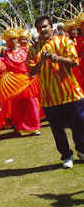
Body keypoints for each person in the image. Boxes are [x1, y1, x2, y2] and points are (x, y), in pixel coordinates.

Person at [28, 16, 84, 168]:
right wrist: (41, 61)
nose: (42, 30)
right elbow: (31, 72)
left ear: (51, 27)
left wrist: (56, 58)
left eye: (45, 26)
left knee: (79, 124)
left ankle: (81, 149)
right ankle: (66, 156)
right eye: (39, 28)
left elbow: (74, 61)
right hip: (49, 97)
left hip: (70, 93)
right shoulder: (34, 48)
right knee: (57, 130)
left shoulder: (65, 41)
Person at [2, 28, 41, 136]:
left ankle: (34, 127)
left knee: (31, 103)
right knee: (17, 106)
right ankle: (20, 127)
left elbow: (30, 63)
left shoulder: (25, 50)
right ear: (7, 42)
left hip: (26, 79)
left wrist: (31, 73)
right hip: (15, 83)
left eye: (14, 39)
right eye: (10, 39)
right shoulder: (6, 54)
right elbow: (8, 68)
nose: (13, 41)